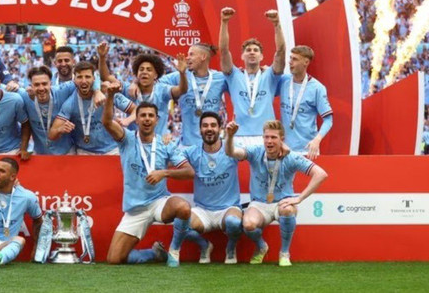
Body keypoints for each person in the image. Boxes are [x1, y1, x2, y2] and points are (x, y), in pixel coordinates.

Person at [102, 83, 194, 267]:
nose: (146, 119)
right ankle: (154, 254)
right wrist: (110, 97)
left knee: (183, 207)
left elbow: (190, 172)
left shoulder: (166, 144)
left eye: (150, 116)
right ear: (136, 119)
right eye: (142, 115)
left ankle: (174, 250)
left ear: (157, 120)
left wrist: (164, 172)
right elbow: (107, 122)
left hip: (159, 202)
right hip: (136, 209)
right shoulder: (127, 140)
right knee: (114, 259)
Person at [225, 120, 329, 266]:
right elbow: (231, 152)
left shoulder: (291, 157)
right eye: (266, 137)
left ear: (282, 139)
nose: (269, 141)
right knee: (248, 225)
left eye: (273, 137)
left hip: (282, 202)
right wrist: (229, 136)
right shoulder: (256, 152)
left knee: (287, 210)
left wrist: (299, 198)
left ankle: (284, 253)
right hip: (259, 204)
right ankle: (261, 247)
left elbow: (321, 174)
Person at [179, 112, 243, 264]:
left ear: (220, 128)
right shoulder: (191, 152)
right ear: (200, 129)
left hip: (228, 208)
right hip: (203, 211)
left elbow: (258, 153)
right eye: (205, 125)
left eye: (213, 125)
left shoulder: (232, 150)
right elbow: (169, 157)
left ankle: (231, 248)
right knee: (180, 224)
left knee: (234, 223)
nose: (209, 129)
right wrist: (167, 140)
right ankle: (204, 245)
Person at [219, 7, 286, 146]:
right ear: (242, 56)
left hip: (266, 135)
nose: (252, 52)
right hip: (239, 135)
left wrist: (276, 24)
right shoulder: (234, 75)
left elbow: (281, 51)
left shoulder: (270, 76)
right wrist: (224, 22)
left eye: (256, 50)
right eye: (248, 50)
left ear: (261, 56)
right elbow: (224, 51)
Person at [98, 42, 187, 136]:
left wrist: (182, 74)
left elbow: (182, 90)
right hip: (135, 144)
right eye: (141, 69)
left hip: (158, 144)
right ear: (136, 74)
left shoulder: (162, 90)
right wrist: (102, 57)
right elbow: (106, 77)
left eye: (149, 70)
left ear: (156, 75)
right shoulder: (129, 89)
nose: (144, 72)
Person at [50, 61, 132, 155]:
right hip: (85, 152)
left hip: (112, 150)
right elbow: (52, 134)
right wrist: (60, 129)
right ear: (74, 80)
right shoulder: (70, 104)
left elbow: (135, 110)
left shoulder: (107, 91)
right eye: (80, 77)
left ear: (94, 78)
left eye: (87, 77)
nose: (84, 81)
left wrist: (127, 120)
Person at [160, 43, 228, 147]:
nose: (187, 58)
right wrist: (136, 84)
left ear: (203, 57)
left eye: (191, 54)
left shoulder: (220, 78)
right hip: (187, 145)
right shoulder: (179, 76)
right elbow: (154, 83)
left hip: (212, 145)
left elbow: (241, 84)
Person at [276, 46, 333, 159]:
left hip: (306, 150)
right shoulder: (283, 81)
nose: (290, 62)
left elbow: (328, 120)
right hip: (284, 149)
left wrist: (317, 140)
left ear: (306, 62)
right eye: (290, 58)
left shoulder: (317, 88)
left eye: (295, 59)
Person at [20, 66, 77, 155]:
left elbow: (89, 78)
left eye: (44, 84)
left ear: (51, 83)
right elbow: (0, 89)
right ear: (31, 85)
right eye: (36, 85)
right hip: (40, 154)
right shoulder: (24, 96)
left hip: (67, 153)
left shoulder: (63, 90)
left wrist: (97, 91)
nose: (41, 88)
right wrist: (10, 84)